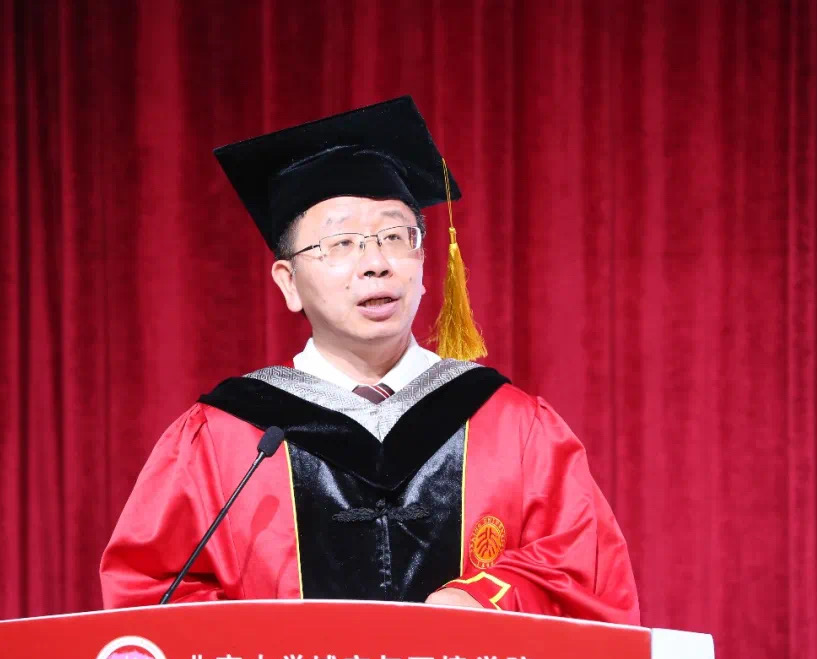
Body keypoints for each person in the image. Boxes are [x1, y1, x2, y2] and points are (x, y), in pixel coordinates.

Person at [99, 97, 640, 623]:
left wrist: (487, 599)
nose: (376, 262)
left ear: (424, 263)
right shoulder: (225, 438)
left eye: (396, 237)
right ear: (289, 283)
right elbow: (149, 601)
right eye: (341, 243)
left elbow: (586, 574)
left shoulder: (513, 425)